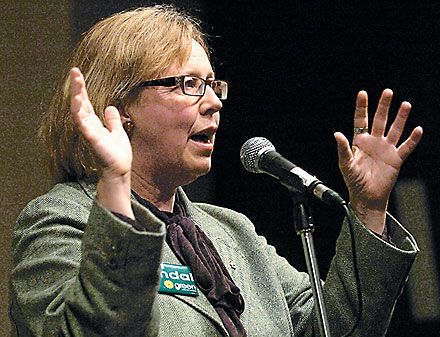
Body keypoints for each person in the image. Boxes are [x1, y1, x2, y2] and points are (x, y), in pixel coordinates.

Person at [9, 4, 423, 337]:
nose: (214, 103)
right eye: (189, 84)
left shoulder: (232, 232)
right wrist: (116, 186)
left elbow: (334, 329)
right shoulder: (60, 220)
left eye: (213, 84)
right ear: (121, 107)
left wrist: (369, 209)